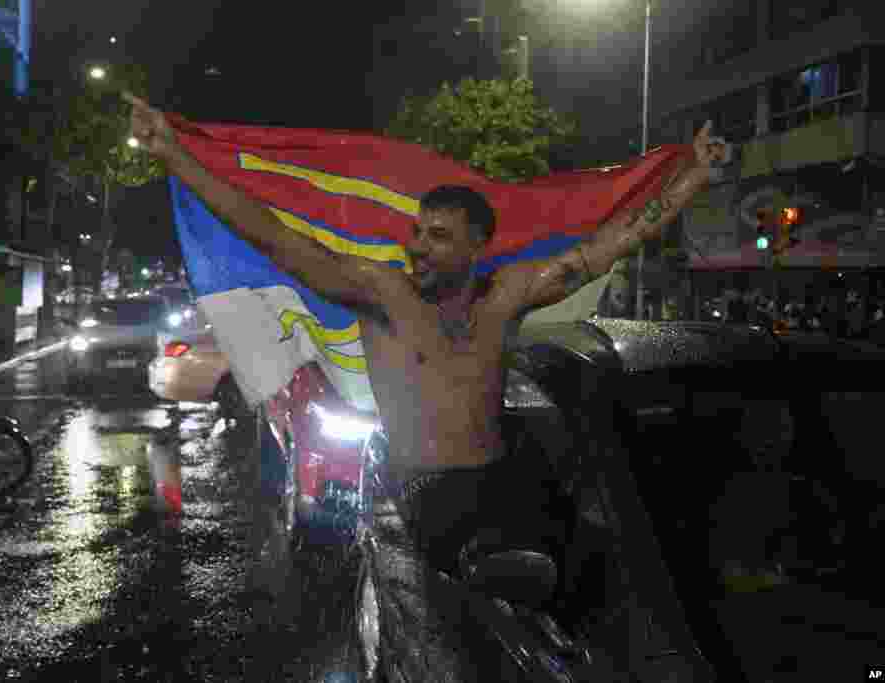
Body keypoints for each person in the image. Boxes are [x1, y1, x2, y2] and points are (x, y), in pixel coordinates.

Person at [127, 93, 726, 667]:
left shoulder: (505, 296)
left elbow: (606, 247)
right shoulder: (385, 295)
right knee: (463, 633)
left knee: (621, 587)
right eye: (418, 232)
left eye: (438, 237)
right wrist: (176, 156)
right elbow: (275, 238)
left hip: (503, 485)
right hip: (425, 498)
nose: (417, 247)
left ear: (478, 246)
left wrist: (694, 178)